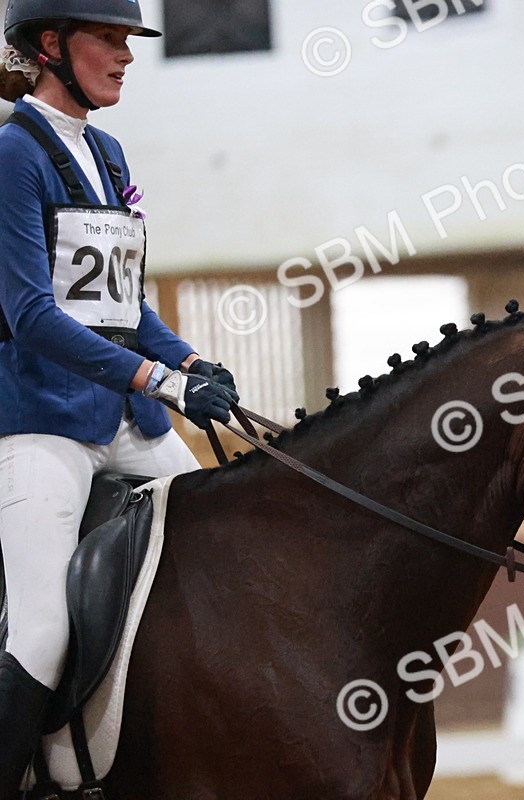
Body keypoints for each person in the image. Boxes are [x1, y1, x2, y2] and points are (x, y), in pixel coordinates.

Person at [0, 1, 239, 793]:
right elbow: (32, 314)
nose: (126, 54)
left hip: (126, 419)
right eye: (108, 37)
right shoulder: (13, 155)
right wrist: (157, 379)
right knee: (40, 630)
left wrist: (196, 363)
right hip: (43, 421)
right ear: (51, 44)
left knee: (219, 550)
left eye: (127, 39)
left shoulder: (105, 149)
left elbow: (122, 304)